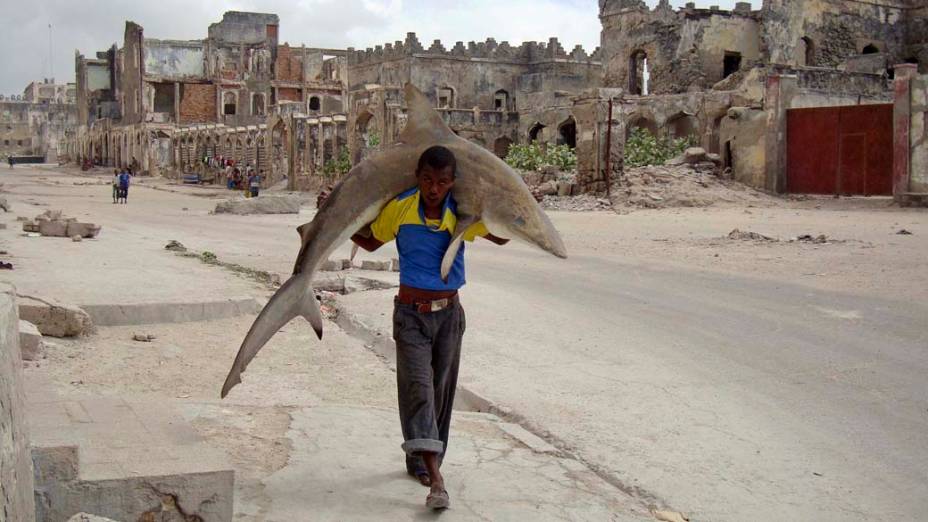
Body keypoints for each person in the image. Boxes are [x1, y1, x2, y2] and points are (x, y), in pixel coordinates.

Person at [348, 145, 508, 510]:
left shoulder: (461, 213)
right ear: (418, 178)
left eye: (442, 182)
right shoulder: (401, 208)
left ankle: (420, 459)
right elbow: (372, 241)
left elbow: (501, 236)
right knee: (418, 388)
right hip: (410, 315)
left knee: (439, 393)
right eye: (427, 180)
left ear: (452, 183)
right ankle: (436, 479)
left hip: (449, 315)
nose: (433, 188)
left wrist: (498, 201)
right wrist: (336, 216)